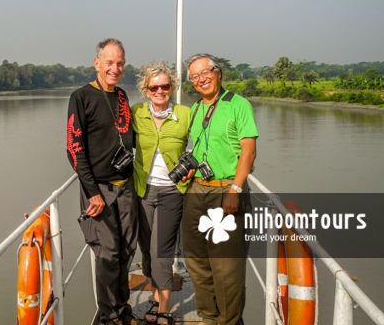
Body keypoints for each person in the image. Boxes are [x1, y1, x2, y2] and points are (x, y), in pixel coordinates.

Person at [66, 39, 143, 325]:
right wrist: (92, 193)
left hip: (126, 186)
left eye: (120, 63)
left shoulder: (121, 96)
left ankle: (123, 309)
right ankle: (108, 317)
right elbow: (74, 147)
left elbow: (133, 137)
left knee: (126, 251)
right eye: (109, 62)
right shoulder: (81, 96)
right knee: (108, 254)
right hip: (99, 190)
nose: (115, 68)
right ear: (97, 63)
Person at [180, 53, 258, 325]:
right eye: (195, 76)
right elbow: (199, 149)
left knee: (227, 268)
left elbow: (249, 152)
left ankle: (229, 321)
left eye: (206, 72)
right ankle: (209, 316)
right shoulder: (196, 109)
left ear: (218, 73)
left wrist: (235, 189)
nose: (201, 80)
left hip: (226, 190)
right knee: (196, 259)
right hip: (196, 189)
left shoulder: (239, 105)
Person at [131, 61, 190, 325]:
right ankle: (156, 299)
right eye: (154, 86)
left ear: (172, 88)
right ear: (146, 89)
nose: (160, 91)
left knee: (161, 251)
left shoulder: (185, 114)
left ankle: (164, 308)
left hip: (171, 193)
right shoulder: (136, 113)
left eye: (165, 86)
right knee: (146, 250)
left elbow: (206, 144)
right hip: (142, 191)